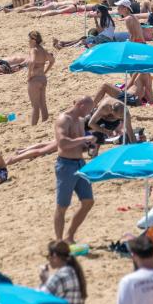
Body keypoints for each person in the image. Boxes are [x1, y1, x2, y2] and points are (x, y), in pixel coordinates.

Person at [54, 97, 96, 243]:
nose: (89, 113)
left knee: (88, 201)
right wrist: (83, 140)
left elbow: (77, 143)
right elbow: (63, 143)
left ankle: (70, 235)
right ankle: (59, 241)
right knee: (62, 206)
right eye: (88, 109)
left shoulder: (79, 121)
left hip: (80, 163)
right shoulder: (64, 119)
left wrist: (87, 145)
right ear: (80, 104)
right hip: (65, 165)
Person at [28, 31, 55, 126]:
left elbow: (32, 61)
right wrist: (45, 71)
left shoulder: (33, 50)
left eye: (29, 39)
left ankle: (33, 126)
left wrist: (29, 74)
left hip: (35, 79)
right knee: (43, 103)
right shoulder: (43, 50)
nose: (28, 41)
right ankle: (45, 124)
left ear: (34, 40)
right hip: (43, 78)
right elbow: (52, 60)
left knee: (35, 106)